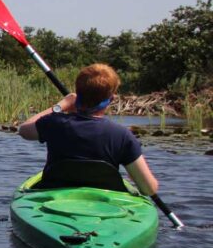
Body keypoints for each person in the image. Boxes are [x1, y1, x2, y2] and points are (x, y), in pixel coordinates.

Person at [16, 63, 159, 194]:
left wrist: (63, 104)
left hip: (54, 199)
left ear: (77, 95)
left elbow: (24, 130)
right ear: (111, 99)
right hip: (105, 205)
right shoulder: (122, 135)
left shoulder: (55, 123)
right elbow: (149, 189)